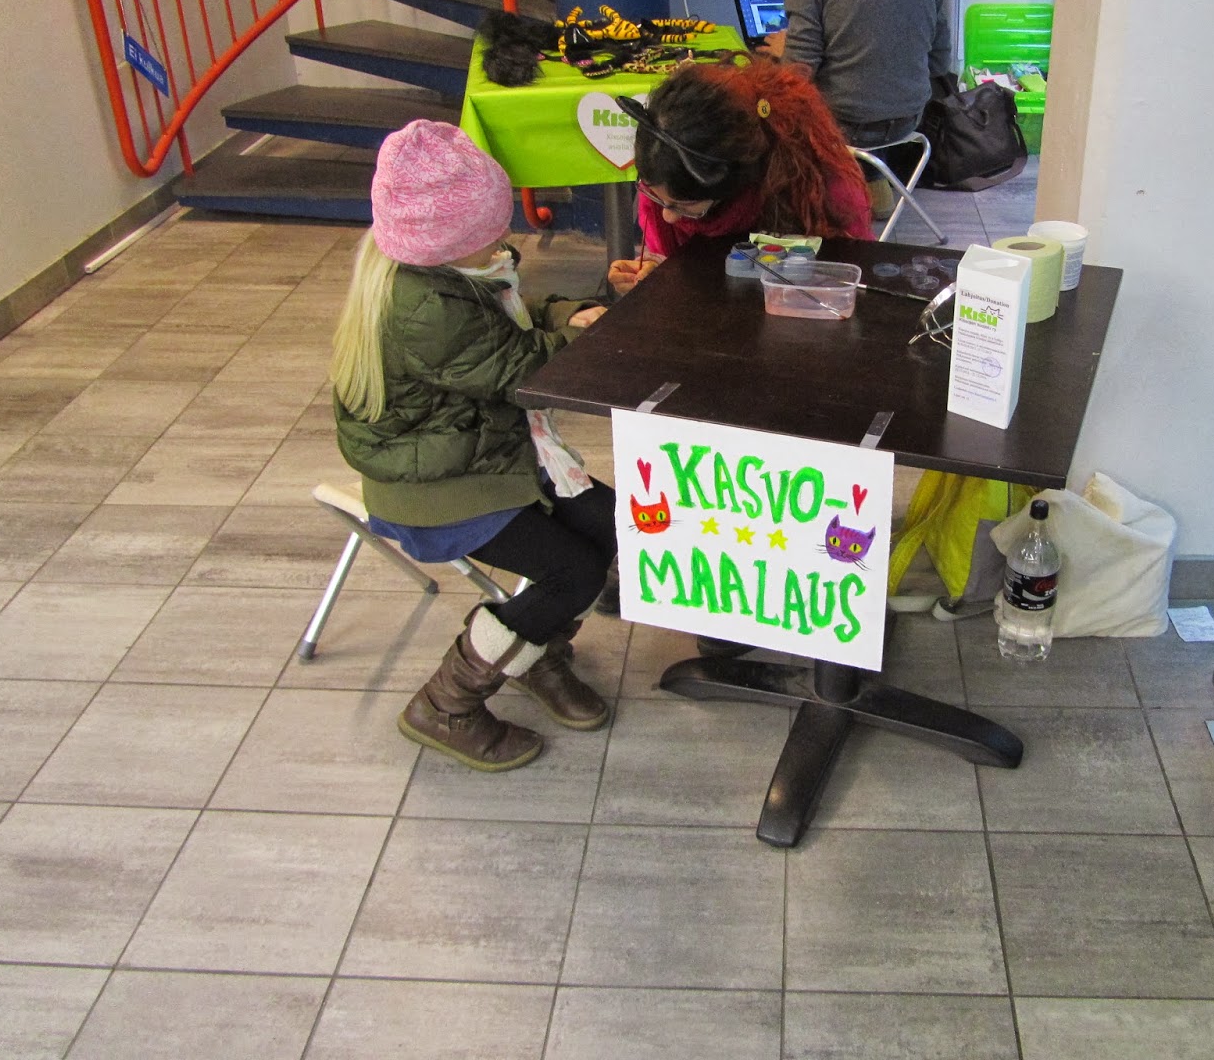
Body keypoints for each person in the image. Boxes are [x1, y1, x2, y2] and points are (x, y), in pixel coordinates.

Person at [331, 120, 614, 773]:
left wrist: (569, 314)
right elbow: (519, 372)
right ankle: (444, 705)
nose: (503, 237)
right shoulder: (425, 308)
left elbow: (513, 314)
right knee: (574, 571)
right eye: (491, 228)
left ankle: (532, 647)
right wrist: (584, 337)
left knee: (606, 525)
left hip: (473, 451)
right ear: (450, 239)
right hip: (436, 486)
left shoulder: (439, 270)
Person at [765, 0, 951, 212]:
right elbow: (940, 59)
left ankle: (815, 208)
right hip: (909, 119)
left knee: (766, 106)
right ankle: (872, 182)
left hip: (847, 124)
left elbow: (799, 70)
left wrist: (784, 52)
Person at [606, 56, 874, 295]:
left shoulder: (820, 192)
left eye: (683, 206)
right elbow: (678, 264)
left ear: (733, 182)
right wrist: (659, 272)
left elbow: (849, 284)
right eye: (657, 198)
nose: (668, 216)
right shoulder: (667, 179)